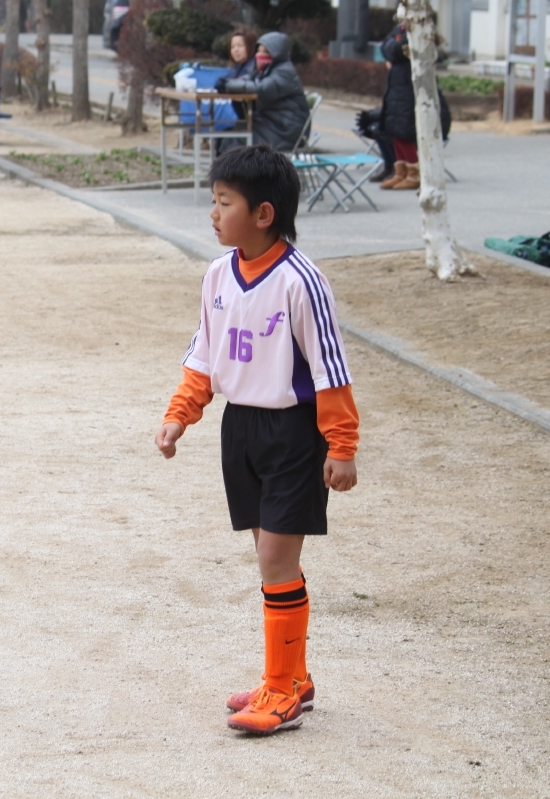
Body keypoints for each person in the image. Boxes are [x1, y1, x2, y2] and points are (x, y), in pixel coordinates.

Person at [155, 145, 360, 735]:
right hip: (240, 428)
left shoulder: (302, 281)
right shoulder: (218, 275)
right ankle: (291, 675)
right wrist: (180, 413)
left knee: (275, 557)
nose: (213, 213)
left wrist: (341, 445)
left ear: (264, 213)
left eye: (225, 203)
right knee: (269, 556)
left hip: (292, 433)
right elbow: (205, 354)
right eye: (214, 201)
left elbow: (330, 369)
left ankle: (282, 688)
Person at [378, 22, 452, 191]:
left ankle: (415, 173)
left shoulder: (420, 27)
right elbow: (385, 47)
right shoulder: (400, 28)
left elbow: (396, 49)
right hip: (397, 87)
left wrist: (394, 49)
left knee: (404, 130)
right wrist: (394, 47)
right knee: (395, 130)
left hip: (410, 88)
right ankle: (401, 171)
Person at [215, 32, 310, 152]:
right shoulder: (265, 68)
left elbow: (261, 89)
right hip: (271, 122)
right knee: (230, 135)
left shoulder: (285, 71)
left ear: (277, 52)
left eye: (265, 52)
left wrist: (229, 84)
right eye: (258, 51)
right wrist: (227, 82)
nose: (260, 55)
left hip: (286, 128)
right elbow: (247, 79)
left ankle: (238, 164)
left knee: (237, 139)